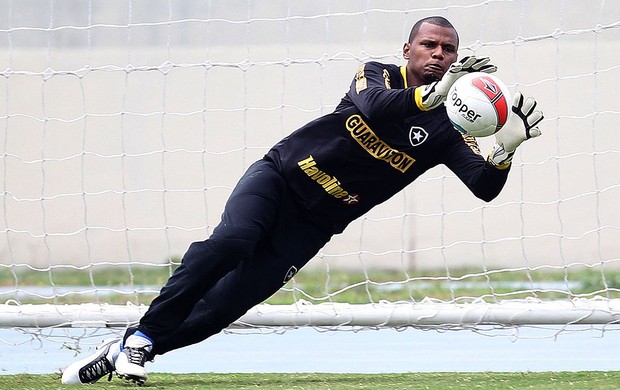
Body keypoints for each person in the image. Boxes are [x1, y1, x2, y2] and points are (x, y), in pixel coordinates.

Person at [61, 16, 543, 385]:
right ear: (408, 50)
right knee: (233, 243)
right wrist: (434, 94)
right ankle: (142, 336)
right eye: (429, 45)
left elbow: (483, 185)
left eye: (448, 49)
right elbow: (378, 109)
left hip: (314, 224)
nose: (438, 54)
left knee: (225, 306)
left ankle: (131, 345)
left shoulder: (444, 131)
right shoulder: (375, 74)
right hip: (280, 179)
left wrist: (505, 149)